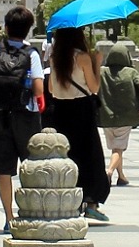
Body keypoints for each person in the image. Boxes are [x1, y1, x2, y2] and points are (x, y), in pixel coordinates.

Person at [0, 3, 44, 230]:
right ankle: (32, 212)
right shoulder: (32, 54)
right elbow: (39, 89)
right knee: (31, 165)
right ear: (29, 29)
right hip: (25, 116)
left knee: (3, 169)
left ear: (5, 27)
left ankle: (8, 217)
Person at [44, 26, 111, 221]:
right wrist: (97, 63)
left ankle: (69, 198)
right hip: (82, 110)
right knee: (90, 156)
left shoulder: (55, 58)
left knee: (68, 155)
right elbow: (95, 87)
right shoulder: (82, 57)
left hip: (60, 110)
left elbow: (51, 88)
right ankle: (91, 201)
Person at [98, 41, 139, 187]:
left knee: (116, 147)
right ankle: (109, 171)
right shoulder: (131, 72)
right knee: (118, 148)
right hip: (126, 116)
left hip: (106, 115)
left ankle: (121, 176)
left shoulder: (102, 72)